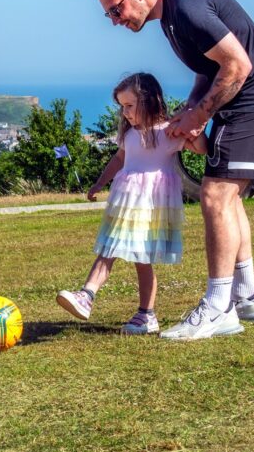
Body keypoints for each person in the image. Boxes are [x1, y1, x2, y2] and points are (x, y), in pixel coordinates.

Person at [95, 0, 254, 341]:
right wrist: (190, 109)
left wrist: (201, 114)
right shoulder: (171, 17)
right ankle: (248, 296)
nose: (114, 21)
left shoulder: (186, 7)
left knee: (214, 195)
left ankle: (218, 307)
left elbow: (238, 65)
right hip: (241, 104)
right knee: (229, 198)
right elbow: (209, 68)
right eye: (108, 15)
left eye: (115, 10)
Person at [57, 73, 207, 334]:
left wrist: (195, 126)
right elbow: (119, 160)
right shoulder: (129, 134)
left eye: (129, 105)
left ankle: (104, 300)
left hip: (149, 204)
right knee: (119, 250)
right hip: (126, 200)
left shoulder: (168, 132)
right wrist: (100, 183)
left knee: (130, 254)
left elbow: (201, 148)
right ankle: (119, 306)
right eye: (121, 106)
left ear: (148, 101)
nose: (124, 112)